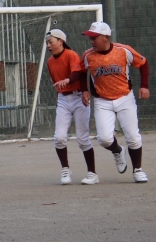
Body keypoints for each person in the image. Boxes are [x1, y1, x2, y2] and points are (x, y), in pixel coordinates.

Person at [59, 21, 150, 183]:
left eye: (94, 38)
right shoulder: (88, 55)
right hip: (102, 101)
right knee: (104, 139)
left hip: (124, 98)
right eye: (90, 38)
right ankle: (118, 150)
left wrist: (144, 86)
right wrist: (84, 90)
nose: (91, 41)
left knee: (133, 136)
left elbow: (143, 64)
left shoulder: (123, 51)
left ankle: (138, 170)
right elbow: (81, 72)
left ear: (106, 37)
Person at [45, 29, 98, 185]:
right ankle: (65, 169)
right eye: (47, 43)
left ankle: (92, 173)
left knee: (82, 138)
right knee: (59, 137)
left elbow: (77, 74)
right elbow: (56, 82)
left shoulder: (71, 55)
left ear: (61, 41)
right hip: (63, 99)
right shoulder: (50, 62)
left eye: (51, 42)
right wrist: (61, 90)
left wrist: (70, 83)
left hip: (78, 97)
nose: (48, 45)